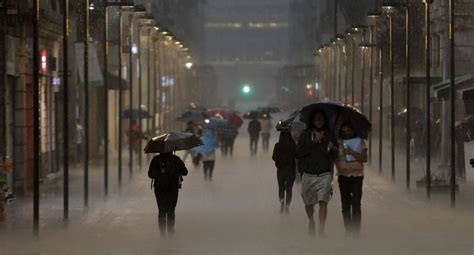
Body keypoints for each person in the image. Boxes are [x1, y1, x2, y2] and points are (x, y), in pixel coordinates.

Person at [296, 110, 337, 237]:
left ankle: (322, 229)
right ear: (312, 121)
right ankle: (311, 221)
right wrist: (314, 142)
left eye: (321, 119)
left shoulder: (329, 135)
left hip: (324, 174)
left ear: (324, 121)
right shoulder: (305, 135)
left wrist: (332, 148)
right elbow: (298, 153)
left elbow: (334, 156)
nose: (319, 121)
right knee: (308, 202)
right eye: (316, 119)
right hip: (308, 174)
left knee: (323, 201)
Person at [335, 122, 367, 236]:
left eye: (348, 131)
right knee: (345, 204)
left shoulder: (360, 141)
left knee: (356, 203)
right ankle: (348, 230)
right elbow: (333, 158)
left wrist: (351, 152)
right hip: (343, 177)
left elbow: (364, 158)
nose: (346, 133)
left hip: (357, 176)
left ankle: (356, 231)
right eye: (343, 131)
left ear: (353, 131)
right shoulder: (337, 143)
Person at [148, 152, 188, 238]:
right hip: (173, 189)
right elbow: (185, 172)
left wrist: (159, 173)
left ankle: (162, 234)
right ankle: (170, 231)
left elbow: (150, 174)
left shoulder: (156, 159)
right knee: (171, 210)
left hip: (159, 189)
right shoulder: (176, 159)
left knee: (161, 210)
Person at [272, 131, 297, 214]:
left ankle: (282, 203)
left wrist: (280, 161)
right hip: (291, 169)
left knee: (281, 187)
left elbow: (274, 157)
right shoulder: (293, 145)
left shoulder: (277, 145)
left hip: (281, 169)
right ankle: (287, 207)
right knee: (289, 189)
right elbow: (297, 155)